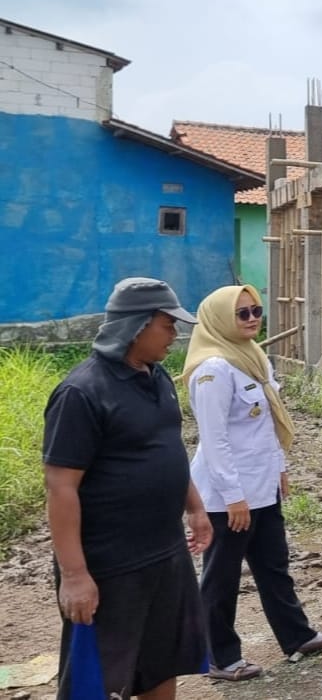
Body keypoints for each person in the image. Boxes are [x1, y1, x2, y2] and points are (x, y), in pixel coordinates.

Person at [43, 277, 212, 700]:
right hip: (111, 566)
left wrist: (195, 507)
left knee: (161, 665)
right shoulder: (81, 392)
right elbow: (60, 486)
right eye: (167, 325)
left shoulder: (157, 377)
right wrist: (75, 576)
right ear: (137, 326)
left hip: (165, 553)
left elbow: (167, 447)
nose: (174, 335)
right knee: (98, 683)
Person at [184, 285, 322, 682]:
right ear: (219, 320)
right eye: (241, 313)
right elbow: (215, 440)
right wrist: (233, 497)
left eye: (256, 310)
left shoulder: (253, 359)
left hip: (261, 485)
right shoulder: (212, 370)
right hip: (228, 495)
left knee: (274, 566)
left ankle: (298, 636)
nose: (252, 318)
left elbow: (266, 425)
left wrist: (279, 468)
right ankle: (219, 657)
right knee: (221, 578)